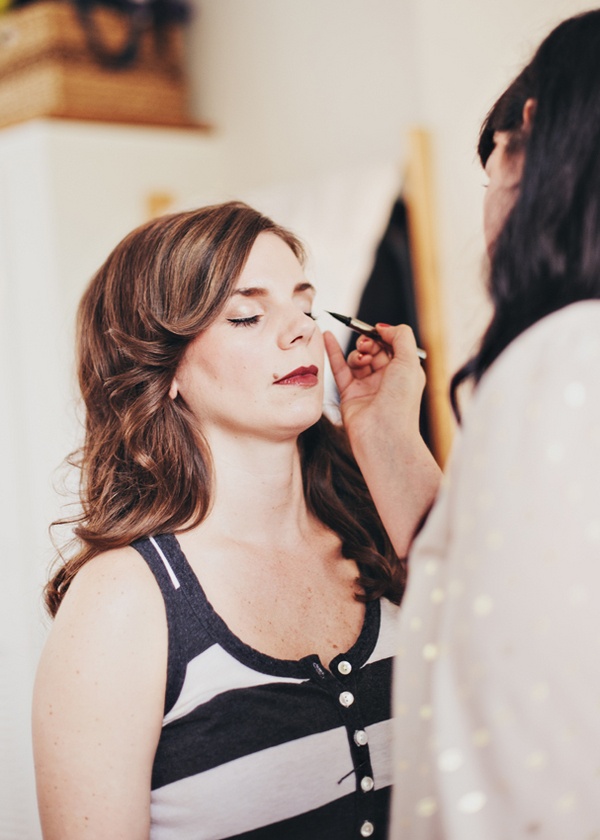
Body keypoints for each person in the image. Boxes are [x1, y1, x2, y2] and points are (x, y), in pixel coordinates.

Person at [32, 201, 440, 840]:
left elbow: (515, 676)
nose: (299, 331)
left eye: (304, 306)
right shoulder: (126, 602)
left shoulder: (384, 535)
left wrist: (391, 435)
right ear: (163, 369)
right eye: (247, 315)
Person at [325, 9, 600, 839]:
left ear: (532, 142)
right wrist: (386, 434)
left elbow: (517, 709)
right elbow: (486, 587)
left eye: (495, 162)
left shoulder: (565, 364)